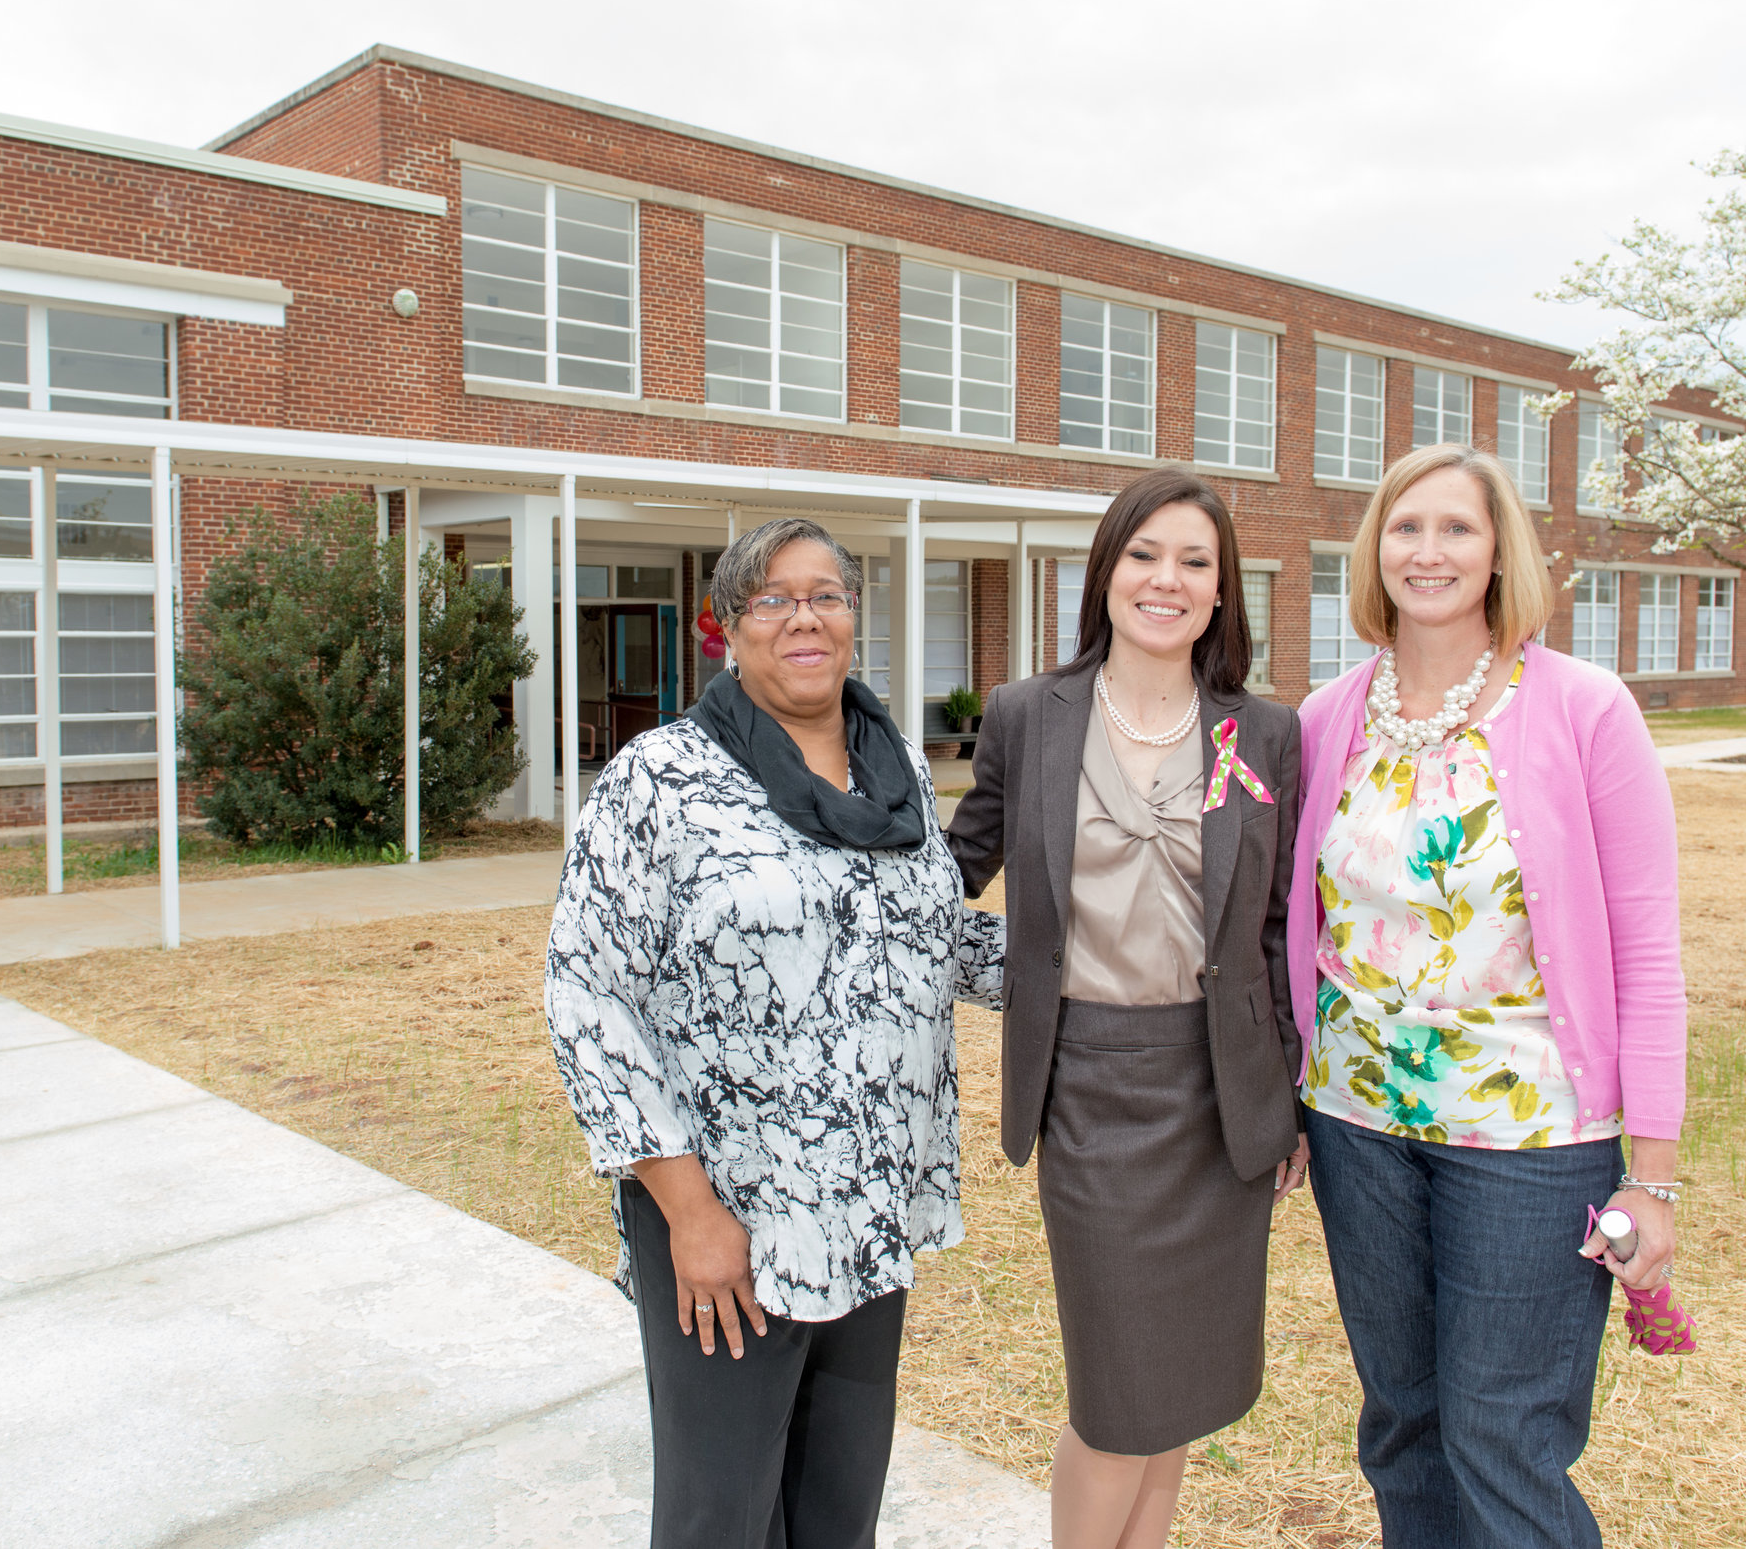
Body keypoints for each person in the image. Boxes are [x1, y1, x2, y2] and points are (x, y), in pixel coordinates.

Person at [544, 516, 1004, 1549]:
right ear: (728, 629)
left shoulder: (896, 778)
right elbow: (587, 993)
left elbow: (926, 941)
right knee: (720, 1514)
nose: (804, 616)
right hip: (729, 1218)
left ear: (853, 618)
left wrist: (1108, 970)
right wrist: (691, 1214)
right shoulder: (660, 780)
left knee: (837, 1504)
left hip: (869, 1196)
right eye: (772, 598)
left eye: (826, 595)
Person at [1284, 443, 1687, 1548]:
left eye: (1457, 528)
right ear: (1373, 550)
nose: (1429, 552)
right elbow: (1291, 924)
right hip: (1357, 1125)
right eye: (1405, 528)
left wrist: (1653, 1176)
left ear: (1501, 550)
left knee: (1501, 1436)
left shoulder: (1584, 709)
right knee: (1403, 1426)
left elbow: (1647, 948)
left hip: (1531, 1138)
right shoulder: (1327, 716)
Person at [946, 468, 1306, 1549]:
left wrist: (1286, 1099)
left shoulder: (1264, 733)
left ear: (1220, 590)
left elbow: (1280, 929)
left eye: (1195, 561)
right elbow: (952, 869)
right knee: (1117, 1398)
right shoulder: (1027, 716)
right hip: (1092, 1093)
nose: (1168, 580)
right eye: (1145, 554)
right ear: (1106, 572)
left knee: (1180, 1395)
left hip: (1220, 1103)